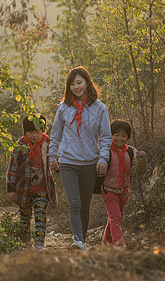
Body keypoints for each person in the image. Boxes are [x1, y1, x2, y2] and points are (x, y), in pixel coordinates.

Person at [48, 66, 112, 252]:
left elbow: (106, 137)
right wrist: (52, 156)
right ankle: (77, 240)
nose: (76, 87)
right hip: (67, 162)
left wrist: (103, 159)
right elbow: (56, 133)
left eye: (79, 82)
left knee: (85, 205)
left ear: (87, 83)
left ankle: (81, 242)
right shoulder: (63, 108)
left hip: (90, 163)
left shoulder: (100, 109)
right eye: (72, 84)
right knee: (74, 203)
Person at [6, 114, 58, 250]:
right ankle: (25, 241)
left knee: (40, 213)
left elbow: (56, 159)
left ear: (42, 131)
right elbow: (13, 168)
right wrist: (10, 189)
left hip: (42, 188)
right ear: (25, 132)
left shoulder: (48, 144)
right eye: (30, 133)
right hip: (24, 189)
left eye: (37, 132)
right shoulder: (20, 145)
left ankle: (40, 243)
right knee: (25, 217)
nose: (34, 136)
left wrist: (57, 166)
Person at [99, 119, 147, 248]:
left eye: (124, 135)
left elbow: (136, 168)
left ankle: (106, 242)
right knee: (116, 216)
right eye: (116, 135)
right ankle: (119, 244)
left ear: (128, 137)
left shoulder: (131, 152)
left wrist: (141, 158)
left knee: (115, 217)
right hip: (108, 190)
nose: (120, 138)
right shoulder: (105, 152)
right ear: (111, 135)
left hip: (124, 190)